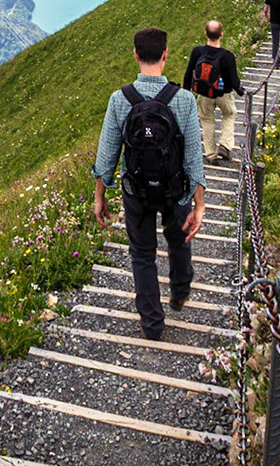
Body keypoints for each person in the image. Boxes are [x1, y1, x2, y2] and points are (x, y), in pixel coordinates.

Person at [94, 27, 206, 339]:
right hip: (175, 191)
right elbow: (194, 158)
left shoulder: (120, 100)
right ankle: (181, 289)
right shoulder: (183, 99)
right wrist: (199, 204)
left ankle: (152, 324)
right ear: (166, 55)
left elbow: (107, 156)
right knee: (179, 237)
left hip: (136, 192)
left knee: (142, 254)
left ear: (135, 55)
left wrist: (99, 196)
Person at [182, 20, 243, 164]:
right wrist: (240, 89)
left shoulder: (198, 52)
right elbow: (234, 81)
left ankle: (210, 154)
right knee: (229, 114)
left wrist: (185, 91)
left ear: (206, 34)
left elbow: (188, 73)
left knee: (206, 120)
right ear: (221, 34)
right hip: (224, 94)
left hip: (204, 93)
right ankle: (225, 144)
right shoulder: (227, 56)